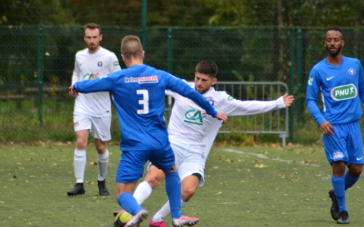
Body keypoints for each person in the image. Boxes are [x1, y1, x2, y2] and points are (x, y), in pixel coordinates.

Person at [70, 35, 228, 227]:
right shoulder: (159, 75)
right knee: (171, 170)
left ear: (123, 57)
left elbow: (90, 85)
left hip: (135, 145)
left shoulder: (117, 78)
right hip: (160, 142)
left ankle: (137, 210)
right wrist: (212, 111)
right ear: (142, 54)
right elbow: (191, 94)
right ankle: (176, 216)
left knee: (122, 195)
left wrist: (76, 87)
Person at [131, 61, 294, 227]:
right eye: (197, 78)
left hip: (196, 151)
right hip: (173, 144)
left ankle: (157, 220)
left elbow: (247, 106)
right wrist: (132, 77)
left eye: (204, 80)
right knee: (154, 176)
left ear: (213, 81)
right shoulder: (182, 87)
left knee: (188, 190)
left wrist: (277, 103)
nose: (199, 83)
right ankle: (129, 212)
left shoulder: (221, 99)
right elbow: (156, 79)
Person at [305, 27, 364, 224]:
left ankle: (336, 193)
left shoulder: (354, 65)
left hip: (353, 126)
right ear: (325, 43)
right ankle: (343, 210)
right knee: (339, 166)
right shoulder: (318, 70)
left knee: (356, 170)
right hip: (333, 127)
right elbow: (310, 99)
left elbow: (363, 91)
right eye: (329, 40)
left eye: (336, 40)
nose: (332, 43)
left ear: (342, 43)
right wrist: (321, 120)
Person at [67, 23, 121, 197]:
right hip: (82, 105)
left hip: (102, 107)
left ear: (100, 37)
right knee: (81, 142)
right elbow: (77, 73)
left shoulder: (109, 57)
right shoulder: (79, 56)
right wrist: (74, 85)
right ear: (84, 38)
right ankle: (79, 184)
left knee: (100, 147)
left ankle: (101, 181)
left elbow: (118, 78)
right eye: (88, 37)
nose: (91, 41)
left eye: (94, 37)